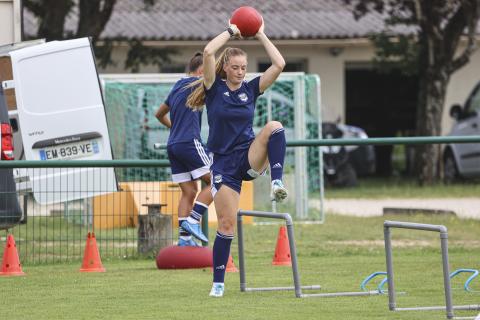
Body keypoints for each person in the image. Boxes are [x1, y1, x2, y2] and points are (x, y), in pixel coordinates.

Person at [186, 19, 287, 297]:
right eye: (236, 67)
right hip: (223, 165)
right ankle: (218, 284)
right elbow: (208, 52)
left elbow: (279, 64)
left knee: (275, 126)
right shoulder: (213, 88)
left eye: (244, 68)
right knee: (227, 225)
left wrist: (262, 34)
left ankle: (277, 183)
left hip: (248, 156)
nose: (241, 72)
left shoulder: (251, 89)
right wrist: (231, 31)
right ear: (226, 68)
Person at [155, 53, 212, 247]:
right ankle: (193, 221)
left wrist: (175, 128)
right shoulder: (200, 83)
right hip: (189, 142)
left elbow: (159, 114)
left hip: (174, 145)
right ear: (202, 71)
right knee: (219, 181)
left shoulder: (178, 84)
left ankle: (184, 239)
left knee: (189, 192)